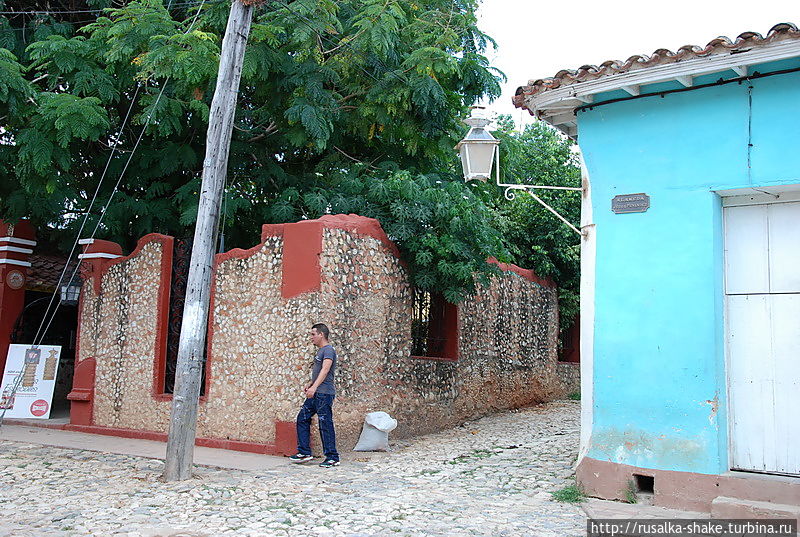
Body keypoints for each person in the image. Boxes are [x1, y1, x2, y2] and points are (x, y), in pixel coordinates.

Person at [289, 323, 340, 467]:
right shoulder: (321, 351)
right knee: (302, 418)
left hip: (324, 394)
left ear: (321, 335)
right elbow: (319, 372)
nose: (311, 337)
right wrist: (311, 384)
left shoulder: (328, 350)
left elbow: (325, 370)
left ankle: (332, 457)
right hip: (316, 392)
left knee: (325, 424)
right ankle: (304, 452)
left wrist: (315, 387)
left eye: (313, 334)